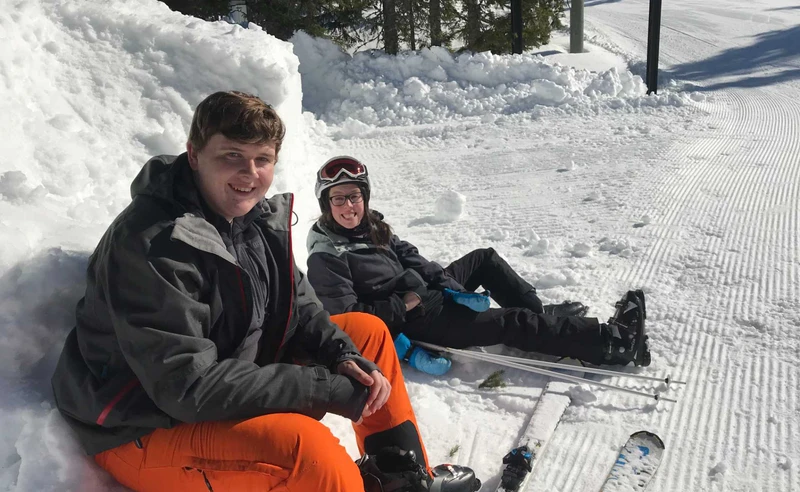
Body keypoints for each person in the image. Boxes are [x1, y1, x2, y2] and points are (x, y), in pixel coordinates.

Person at [50, 92, 480, 492]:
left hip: (222, 374)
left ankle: (401, 477)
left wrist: (341, 358)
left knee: (364, 332)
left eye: (262, 159)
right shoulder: (152, 243)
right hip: (140, 426)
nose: (249, 174)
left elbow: (300, 302)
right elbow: (186, 386)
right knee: (304, 450)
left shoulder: (251, 217)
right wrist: (323, 387)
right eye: (232, 156)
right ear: (195, 154)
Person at [305, 156, 651, 374]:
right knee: (511, 323)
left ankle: (541, 317)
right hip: (418, 318)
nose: (349, 206)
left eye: (355, 196)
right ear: (326, 204)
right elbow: (349, 318)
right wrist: (405, 304)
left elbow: (409, 254)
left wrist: (443, 282)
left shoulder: (372, 226)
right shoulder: (326, 256)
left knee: (484, 259)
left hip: (426, 294)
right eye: (339, 198)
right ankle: (610, 344)